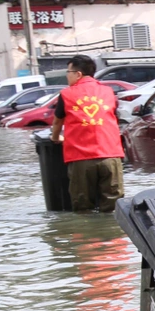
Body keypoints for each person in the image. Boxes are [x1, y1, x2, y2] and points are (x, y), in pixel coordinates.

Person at [49, 54, 124, 212]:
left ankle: (87, 235)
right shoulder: (108, 92)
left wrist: (55, 138)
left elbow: (57, 121)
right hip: (110, 155)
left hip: (81, 157)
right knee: (114, 207)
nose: (67, 76)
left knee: (83, 207)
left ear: (78, 74)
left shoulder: (67, 94)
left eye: (68, 72)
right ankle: (114, 235)